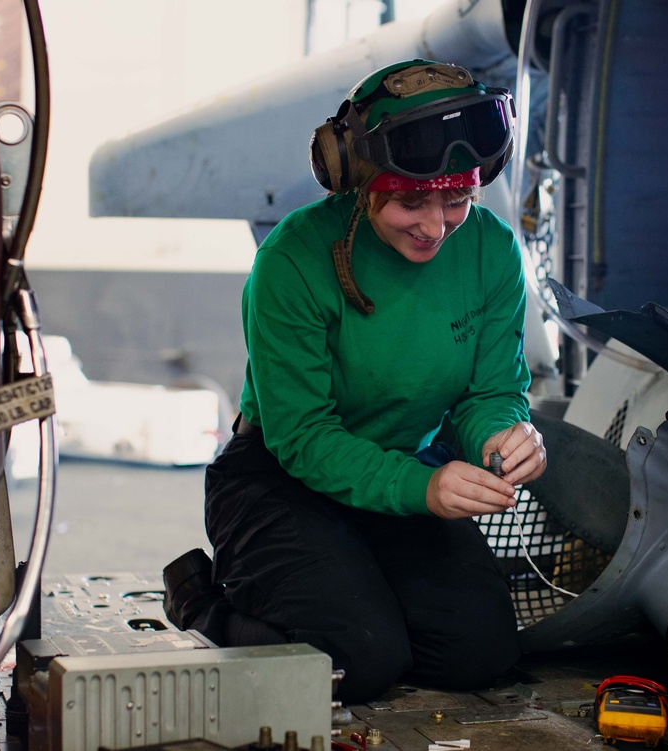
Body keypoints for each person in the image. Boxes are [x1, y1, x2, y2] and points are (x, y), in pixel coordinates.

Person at [163, 59, 547, 704]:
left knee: (478, 651)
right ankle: (202, 600)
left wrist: (503, 436)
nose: (436, 226)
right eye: (411, 201)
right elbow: (303, 435)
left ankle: (353, 583)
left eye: (458, 199)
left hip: (404, 467)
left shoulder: (491, 248)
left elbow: (489, 392)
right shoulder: (292, 259)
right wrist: (422, 488)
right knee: (356, 660)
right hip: (279, 477)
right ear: (361, 183)